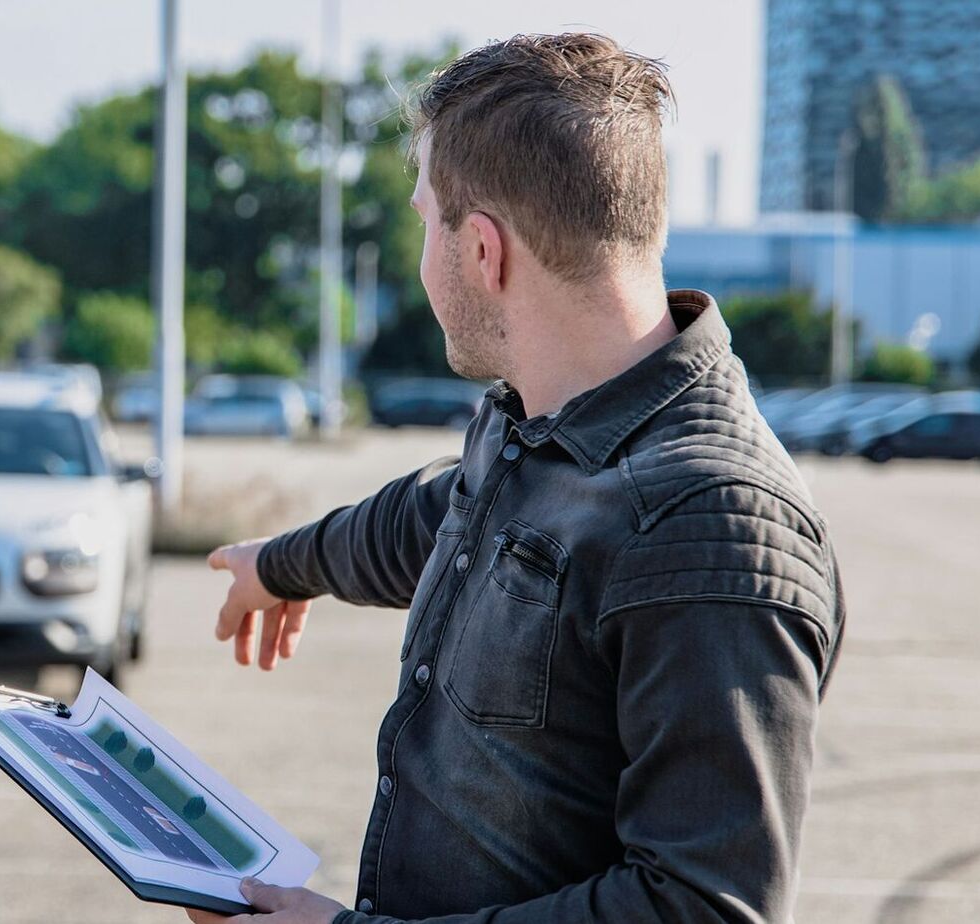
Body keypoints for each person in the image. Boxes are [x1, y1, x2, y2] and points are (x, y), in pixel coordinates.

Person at [197, 33, 843, 924]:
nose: (426, 254)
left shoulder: (712, 525)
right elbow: (442, 521)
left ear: (484, 254)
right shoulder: (538, 423)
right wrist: (283, 562)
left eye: (428, 222)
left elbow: (698, 908)